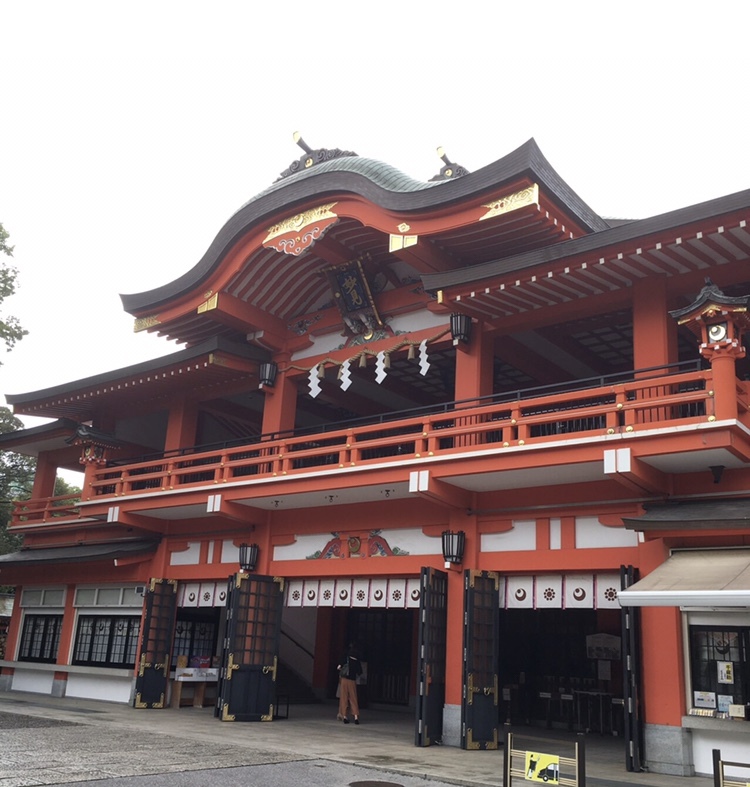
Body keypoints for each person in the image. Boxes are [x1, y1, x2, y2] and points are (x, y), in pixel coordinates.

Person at [336, 642, 363, 724]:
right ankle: (356, 717)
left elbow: (338, 667)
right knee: (353, 698)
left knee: (344, 697)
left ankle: (344, 716)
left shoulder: (345, 659)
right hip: (352, 681)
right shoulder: (357, 661)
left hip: (344, 680)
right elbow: (360, 672)